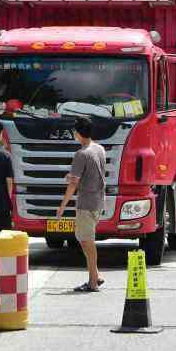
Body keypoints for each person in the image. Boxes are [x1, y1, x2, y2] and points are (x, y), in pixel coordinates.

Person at [55, 116, 106, 292]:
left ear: (77, 133)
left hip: (86, 203)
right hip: (98, 201)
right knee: (85, 239)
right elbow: (91, 174)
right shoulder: (99, 149)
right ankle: (96, 276)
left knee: (87, 242)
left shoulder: (81, 154)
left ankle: (93, 282)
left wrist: (62, 206)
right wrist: (73, 177)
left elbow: (73, 184)